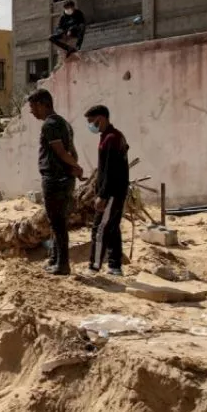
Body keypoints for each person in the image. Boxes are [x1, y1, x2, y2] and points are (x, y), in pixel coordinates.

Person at [28, 89, 83, 275]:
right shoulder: (64, 123)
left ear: (43, 104)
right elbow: (71, 151)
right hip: (66, 179)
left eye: (33, 106)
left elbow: (61, 152)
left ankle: (63, 264)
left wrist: (77, 167)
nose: (32, 111)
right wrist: (75, 168)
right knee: (58, 222)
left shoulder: (50, 125)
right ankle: (56, 259)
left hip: (54, 179)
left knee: (57, 222)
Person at [85, 105, 130, 276]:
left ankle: (94, 266)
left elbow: (111, 170)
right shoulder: (112, 136)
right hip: (116, 191)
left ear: (101, 118)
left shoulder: (111, 138)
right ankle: (115, 265)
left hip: (111, 193)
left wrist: (102, 195)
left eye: (91, 122)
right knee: (112, 228)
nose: (90, 126)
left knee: (99, 229)